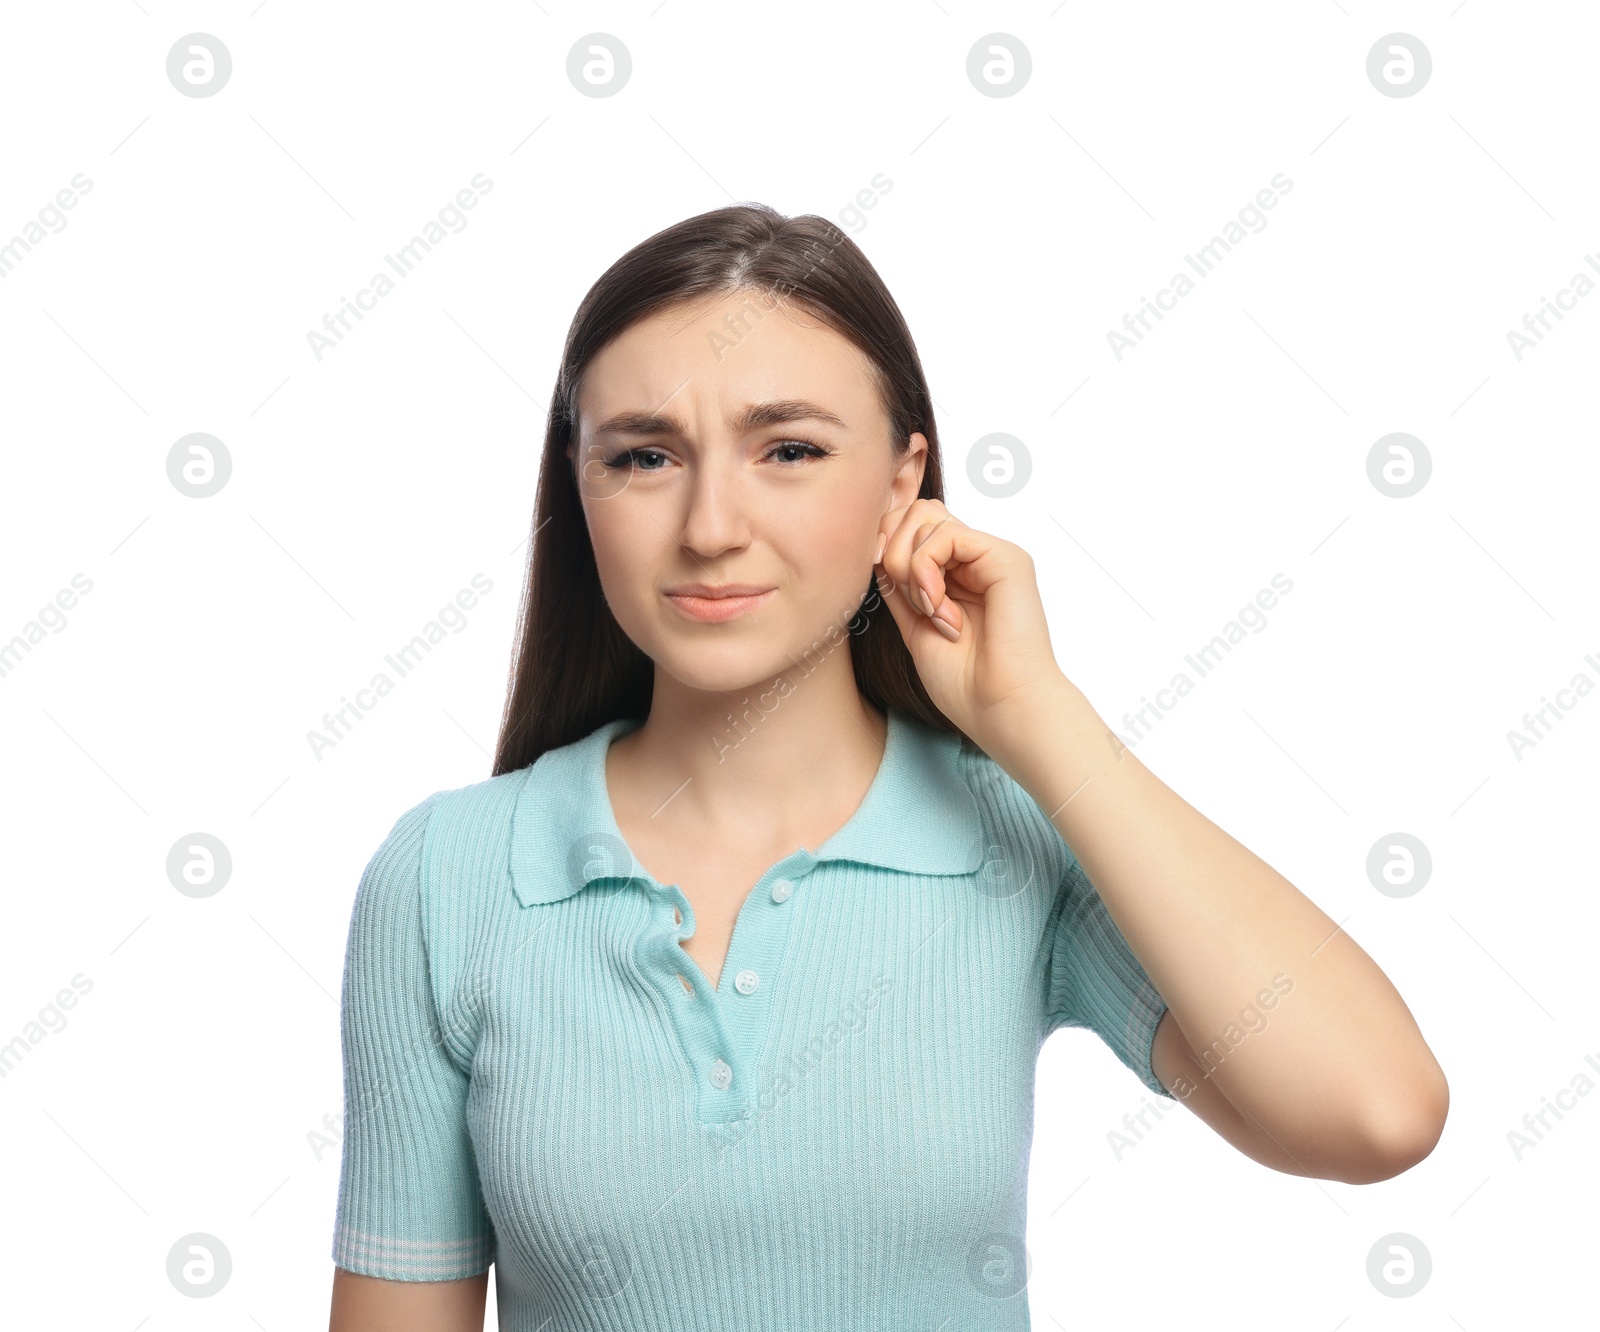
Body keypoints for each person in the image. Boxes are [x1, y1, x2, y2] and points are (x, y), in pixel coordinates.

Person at [327, 203, 1448, 1331]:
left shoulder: (1014, 840)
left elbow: (1375, 1112)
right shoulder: (448, 878)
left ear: (902, 484)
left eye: (791, 451)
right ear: (580, 484)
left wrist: (1038, 718)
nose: (711, 524)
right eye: (645, 456)